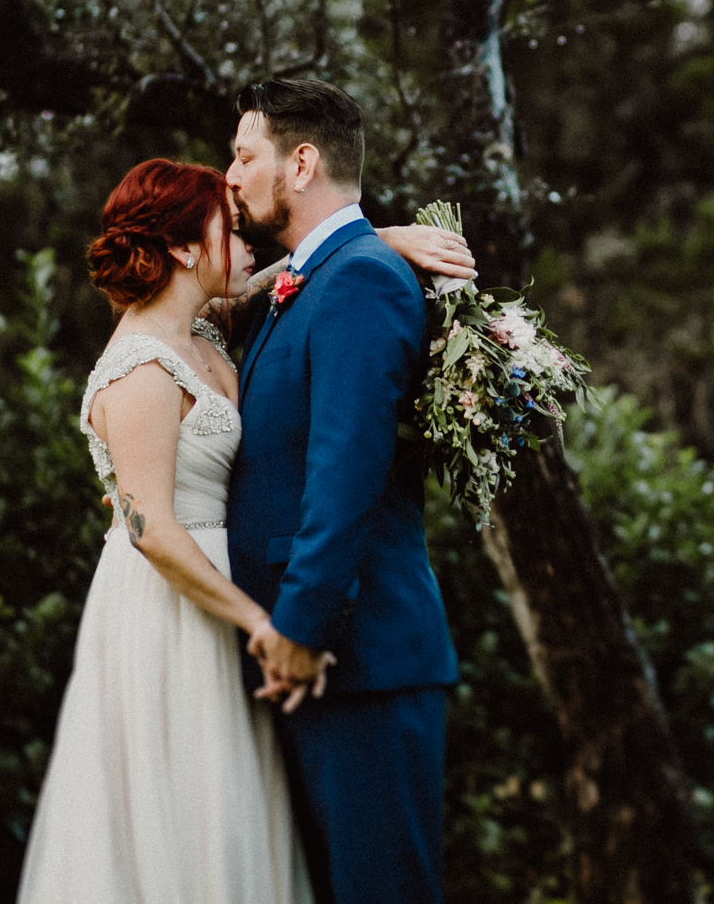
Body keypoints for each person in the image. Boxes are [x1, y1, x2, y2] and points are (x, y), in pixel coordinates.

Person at [18, 156, 472, 904]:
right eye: (229, 229)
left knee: (238, 825)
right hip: (175, 614)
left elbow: (301, 272)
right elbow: (153, 530)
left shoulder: (209, 328)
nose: (248, 241)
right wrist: (262, 622)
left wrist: (381, 238)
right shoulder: (137, 367)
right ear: (188, 249)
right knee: (182, 827)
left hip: (226, 608)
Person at [224, 78, 462, 904]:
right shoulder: (312, 279)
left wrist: (301, 625)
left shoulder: (359, 279)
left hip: (355, 660)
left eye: (244, 154)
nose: (230, 173)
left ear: (301, 161)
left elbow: (346, 468)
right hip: (312, 664)